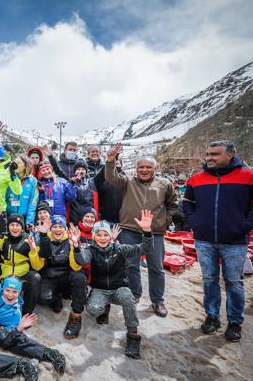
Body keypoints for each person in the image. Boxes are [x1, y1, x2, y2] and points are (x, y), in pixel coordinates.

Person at [183, 140, 253, 341]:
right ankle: (212, 317)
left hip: (235, 241)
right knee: (209, 280)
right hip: (204, 240)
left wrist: (243, 226)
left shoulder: (250, 176)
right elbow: (187, 204)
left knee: (233, 282)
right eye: (208, 154)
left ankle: (234, 322)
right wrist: (195, 222)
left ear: (230, 155)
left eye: (215, 154)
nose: (209, 158)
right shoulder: (196, 179)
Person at [105, 142, 178, 316]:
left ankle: (157, 301)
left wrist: (163, 222)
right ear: (136, 169)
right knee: (131, 265)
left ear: (154, 168)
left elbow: (173, 206)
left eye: (148, 167)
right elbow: (111, 177)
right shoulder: (127, 180)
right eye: (141, 167)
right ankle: (135, 294)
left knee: (156, 267)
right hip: (129, 230)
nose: (144, 170)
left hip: (154, 233)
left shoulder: (164, 184)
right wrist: (110, 160)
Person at [73, 211, 155, 359]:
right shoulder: (90, 250)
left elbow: (144, 249)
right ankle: (105, 308)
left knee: (128, 298)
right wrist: (76, 246)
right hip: (100, 290)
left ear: (111, 237)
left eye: (105, 235)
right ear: (94, 236)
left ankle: (132, 335)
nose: (102, 238)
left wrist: (147, 231)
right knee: (92, 309)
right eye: (99, 234)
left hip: (119, 288)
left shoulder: (119, 249)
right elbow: (82, 260)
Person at [36, 215, 88, 339]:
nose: (58, 230)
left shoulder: (70, 240)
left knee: (80, 277)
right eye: (54, 226)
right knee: (44, 298)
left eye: (60, 226)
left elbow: (76, 267)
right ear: (50, 228)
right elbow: (38, 266)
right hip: (49, 276)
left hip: (66, 276)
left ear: (65, 228)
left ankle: (75, 317)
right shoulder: (44, 239)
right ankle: (56, 297)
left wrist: (74, 247)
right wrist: (43, 239)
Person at [0, 207, 43, 315]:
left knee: (35, 277)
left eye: (18, 225)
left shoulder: (29, 240)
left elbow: (37, 266)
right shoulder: (4, 237)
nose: (14, 228)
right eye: (12, 225)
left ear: (22, 228)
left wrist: (32, 250)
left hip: (22, 275)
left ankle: (27, 313)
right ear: (8, 227)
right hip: (6, 275)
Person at [6, 154, 39, 231]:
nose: (15, 165)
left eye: (19, 163)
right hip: (8, 217)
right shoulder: (8, 178)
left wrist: (29, 221)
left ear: (25, 166)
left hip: (23, 218)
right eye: (14, 162)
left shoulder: (33, 181)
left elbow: (33, 203)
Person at [93, 158, 124, 224]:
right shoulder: (102, 179)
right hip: (105, 218)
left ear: (121, 165)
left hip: (122, 218)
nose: (115, 166)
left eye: (117, 164)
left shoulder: (125, 179)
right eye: (114, 164)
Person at [68, 159, 98, 225]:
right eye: (78, 169)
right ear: (75, 171)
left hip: (89, 219)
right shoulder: (70, 182)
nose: (80, 171)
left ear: (86, 171)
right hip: (74, 219)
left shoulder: (92, 181)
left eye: (83, 169)